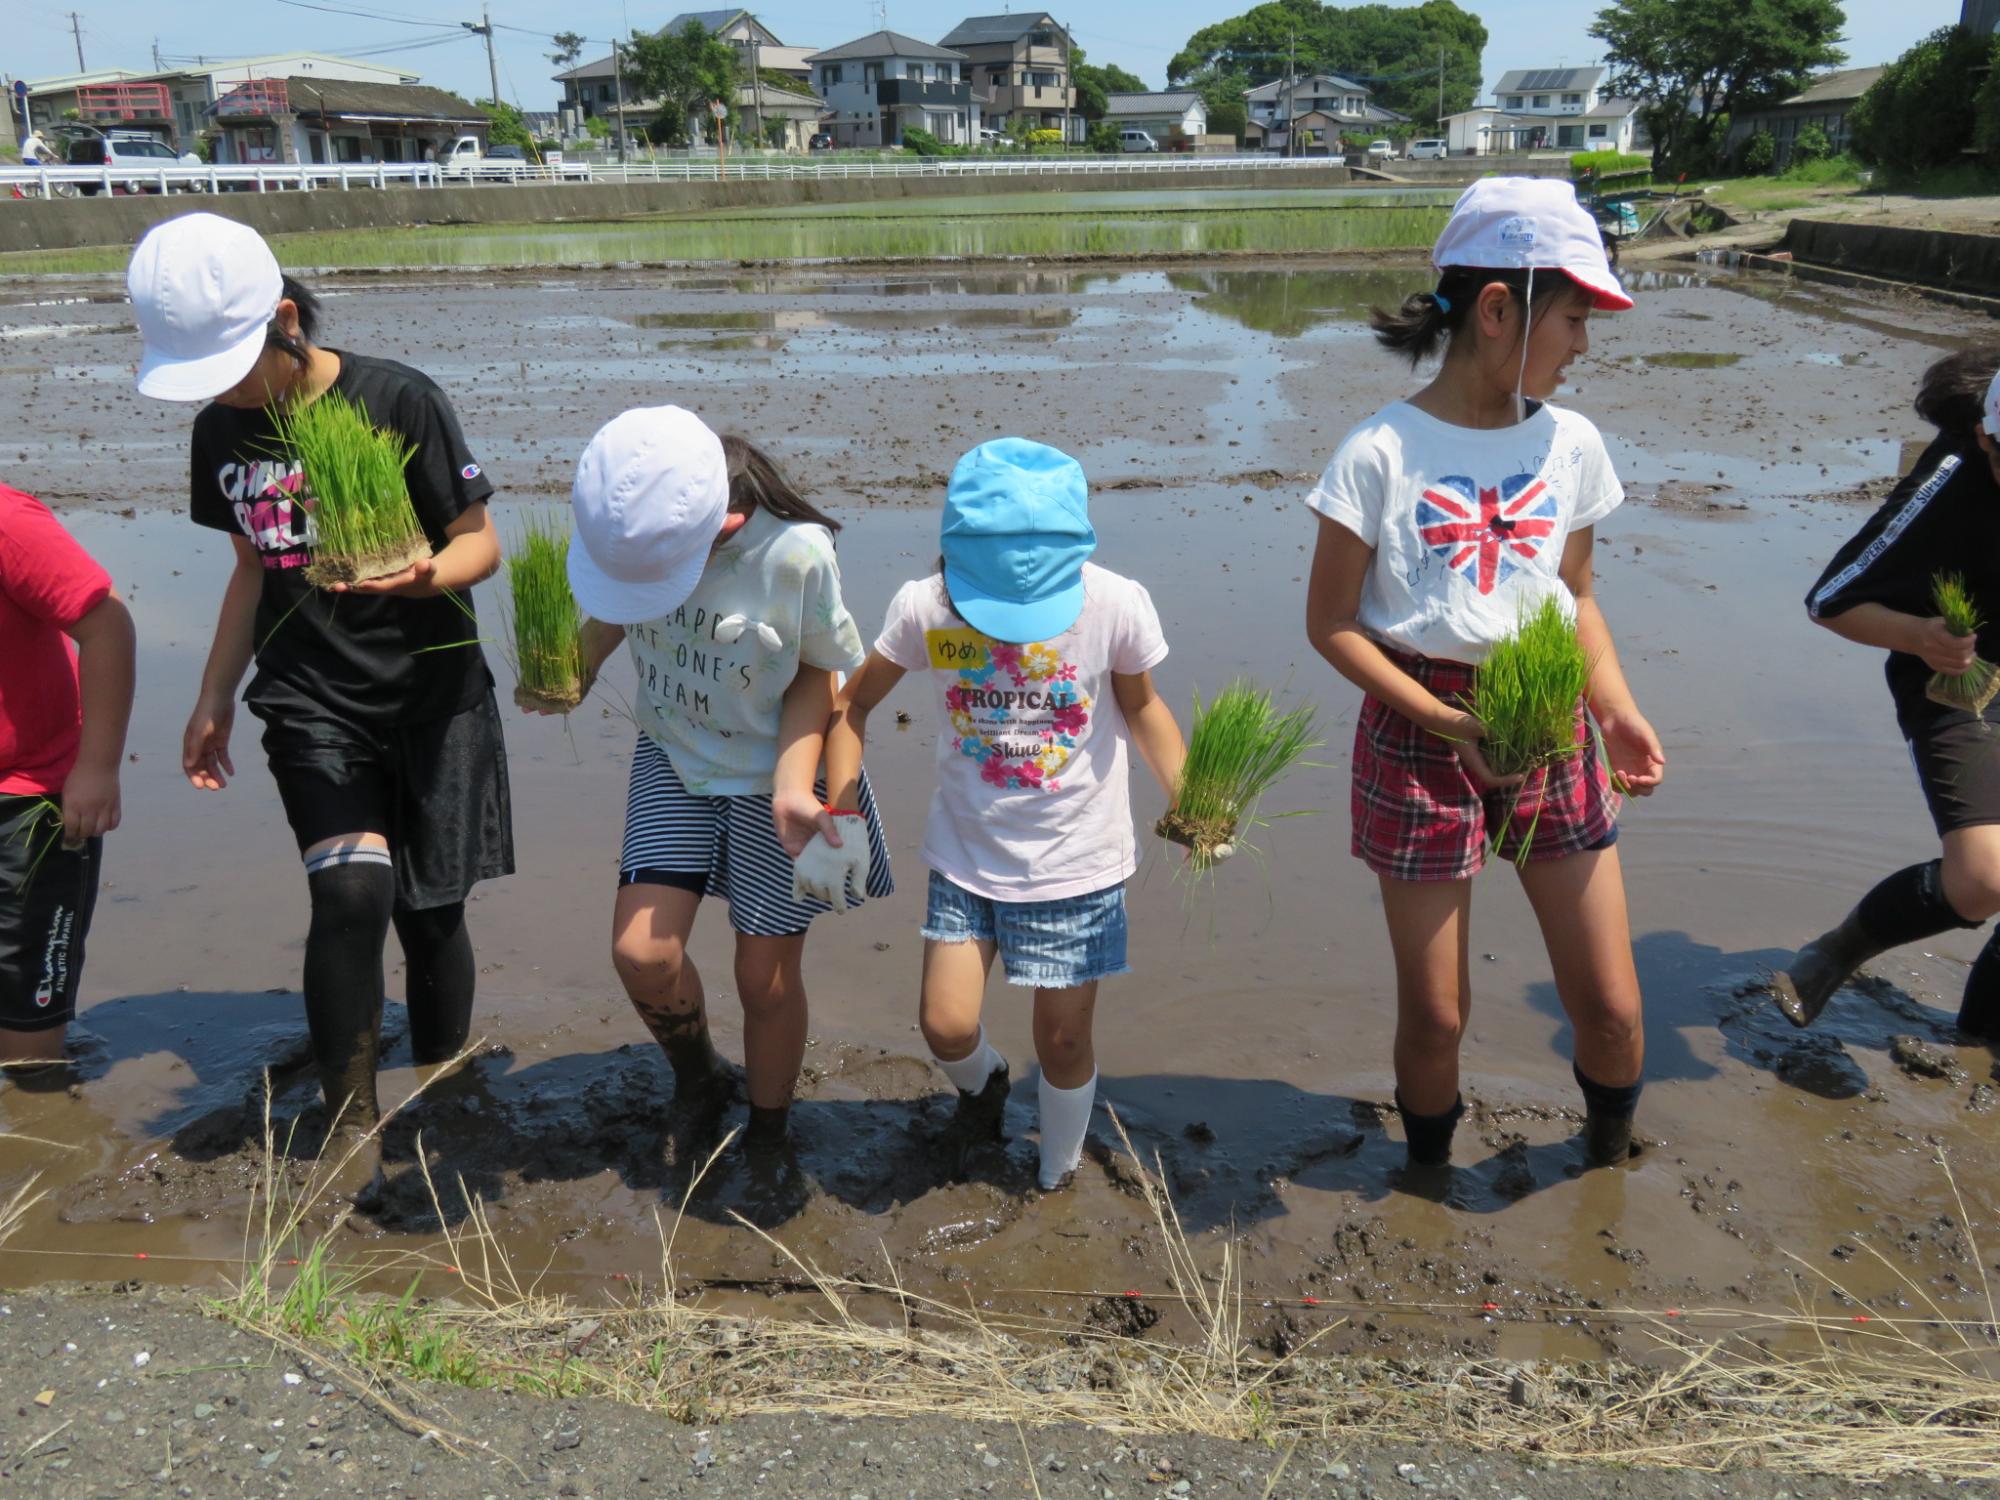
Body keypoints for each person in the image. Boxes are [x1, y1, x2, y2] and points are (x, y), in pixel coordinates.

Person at [126, 212, 511, 1178]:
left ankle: (438, 1082)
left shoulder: (399, 400)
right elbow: (252, 567)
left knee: (430, 913)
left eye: (230, 362)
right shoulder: (221, 425)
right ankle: (349, 1120)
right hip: (309, 696)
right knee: (349, 889)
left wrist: (421, 574)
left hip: (434, 691)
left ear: (286, 319)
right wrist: (215, 694)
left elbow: (482, 544)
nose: (219, 388)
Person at [1301, 178, 1665, 1175]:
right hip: (1417, 729)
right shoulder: (1378, 452)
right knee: (1433, 1014)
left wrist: (1616, 709)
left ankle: (1606, 1163)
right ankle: (1426, 1177)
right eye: (1574, 317)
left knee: (1611, 1005)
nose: (1583, 345)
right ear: (1497, 310)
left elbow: (1575, 594)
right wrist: (1436, 715)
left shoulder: (1569, 444)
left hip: (1549, 718)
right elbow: (1329, 623)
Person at [816, 439, 1187, 1192]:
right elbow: (852, 704)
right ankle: (984, 1088)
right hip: (967, 853)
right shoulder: (928, 606)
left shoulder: (1114, 604)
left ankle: (1056, 1170)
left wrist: (1192, 799)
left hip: (1077, 861)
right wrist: (841, 790)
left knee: (1063, 1038)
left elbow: (1143, 708)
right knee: (945, 1024)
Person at [557, 409, 892, 1204]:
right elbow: (614, 605)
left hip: (776, 771)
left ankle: (770, 1129)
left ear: (725, 523)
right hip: (673, 756)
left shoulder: (793, 554)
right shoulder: (630, 527)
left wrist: (789, 785)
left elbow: (820, 677)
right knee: (644, 954)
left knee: (763, 976)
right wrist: (569, 667)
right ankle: (700, 1074)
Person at [1774, 350, 2000, 1041]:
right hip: (1960, 666)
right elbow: (1831, 600)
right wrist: (1922, 635)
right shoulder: (1953, 477)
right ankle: (1843, 948)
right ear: (1988, 438)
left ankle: (1977, 1044)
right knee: (1984, 878)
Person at [0, 486, 134, 1081]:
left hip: (32, 800)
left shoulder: (9, 523)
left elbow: (107, 625)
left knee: (30, 1056)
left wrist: (98, 766)